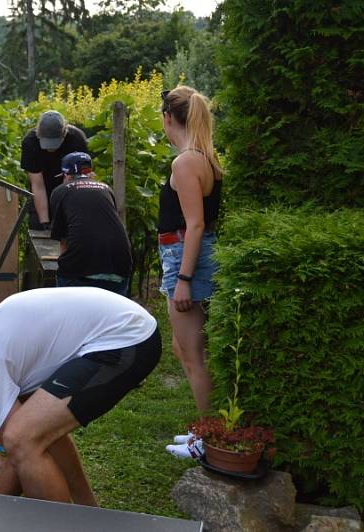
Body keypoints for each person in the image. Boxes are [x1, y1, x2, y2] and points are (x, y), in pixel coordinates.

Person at [0, 287, 161, 504]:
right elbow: (25, 430)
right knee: (36, 433)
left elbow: (18, 446)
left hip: (124, 340)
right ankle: (89, 512)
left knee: (23, 439)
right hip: (131, 329)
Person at [156, 86, 223, 459]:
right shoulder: (204, 158)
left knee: (193, 355)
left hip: (185, 257)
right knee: (186, 351)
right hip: (187, 254)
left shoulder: (184, 163)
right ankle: (207, 430)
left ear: (169, 119)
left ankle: (210, 442)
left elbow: (194, 225)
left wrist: (183, 280)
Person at [50, 152, 133, 296]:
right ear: (90, 173)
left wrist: (65, 268)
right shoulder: (106, 189)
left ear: (67, 175)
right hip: (120, 265)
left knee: (71, 311)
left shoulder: (60, 191)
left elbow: (63, 241)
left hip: (81, 268)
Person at [21, 111, 88, 229]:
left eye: (54, 143)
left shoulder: (76, 140)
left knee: (69, 229)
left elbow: (72, 182)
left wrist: (60, 221)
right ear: (38, 134)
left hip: (70, 188)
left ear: (64, 134)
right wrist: (45, 223)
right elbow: (37, 185)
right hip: (42, 189)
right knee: (38, 227)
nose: (51, 148)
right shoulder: (30, 142)